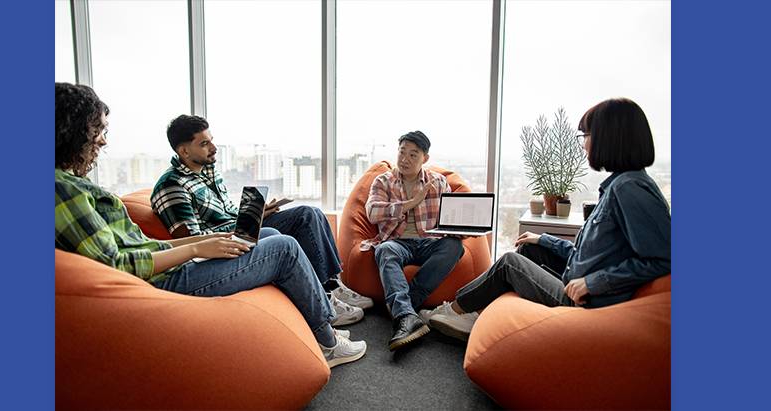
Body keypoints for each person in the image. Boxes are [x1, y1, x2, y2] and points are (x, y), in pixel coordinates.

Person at [54, 82, 366, 367]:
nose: (103, 140)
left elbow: (144, 246)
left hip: (168, 268)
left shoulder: (72, 185)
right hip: (161, 283)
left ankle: (326, 298)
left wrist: (232, 228)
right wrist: (198, 247)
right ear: (73, 130)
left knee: (275, 229)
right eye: (97, 130)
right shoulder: (64, 190)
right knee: (284, 247)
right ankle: (326, 339)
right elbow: (119, 265)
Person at [422, 98, 671, 341]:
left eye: (586, 135)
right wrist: (544, 239)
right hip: (579, 282)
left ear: (609, 137)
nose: (584, 144)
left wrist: (593, 283)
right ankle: (475, 312)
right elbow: (589, 255)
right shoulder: (622, 184)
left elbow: (665, 259)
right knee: (529, 248)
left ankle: (453, 310)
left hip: (583, 300)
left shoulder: (629, 189)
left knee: (509, 262)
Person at [150, 115, 372, 327]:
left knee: (311, 213)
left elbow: (226, 213)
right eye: (204, 144)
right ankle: (326, 293)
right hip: (227, 243)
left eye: (212, 140)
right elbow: (195, 241)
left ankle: (333, 284)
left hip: (242, 228)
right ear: (184, 151)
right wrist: (249, 221)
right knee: (303, 219)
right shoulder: (172, 186)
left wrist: (257, 212)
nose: (214, 148)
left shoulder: (209, 171)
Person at [364, 131, 465, 351]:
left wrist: (461, 229)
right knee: (384, 250)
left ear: (424, 158)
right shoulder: (383, 181)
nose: (405, 159)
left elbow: (450, 217)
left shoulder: (438, 182)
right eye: (402, 152)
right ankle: (407, 315)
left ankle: (405, 310)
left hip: (430, 241)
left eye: (413, 155)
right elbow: (372, 212)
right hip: (398, 242)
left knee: (454, 247)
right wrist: (411, 202)